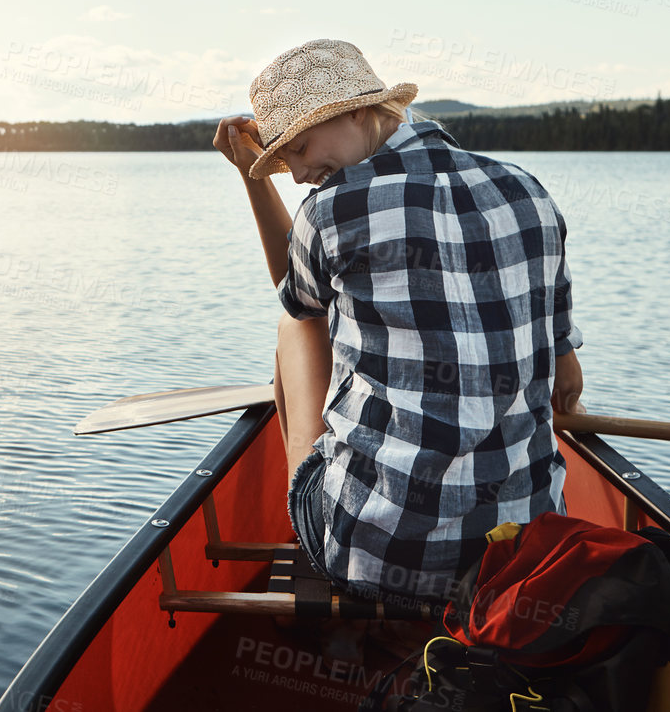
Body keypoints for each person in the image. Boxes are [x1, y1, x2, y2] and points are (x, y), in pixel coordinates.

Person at [212, 38, 585, 610]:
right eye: (281, 163)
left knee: (295, 324)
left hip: (381, 552)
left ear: (360, 111)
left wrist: (250, 178)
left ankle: (301, 500)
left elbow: (295, 295)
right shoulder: (527, 189)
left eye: (302, 147)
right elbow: (567, 374)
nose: (299, 174)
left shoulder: (330, 210)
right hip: (523, 550)